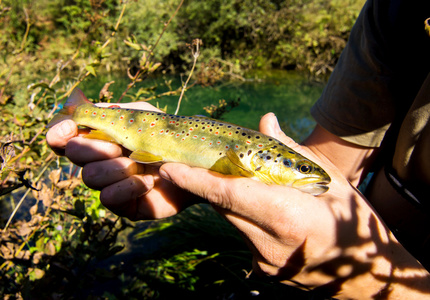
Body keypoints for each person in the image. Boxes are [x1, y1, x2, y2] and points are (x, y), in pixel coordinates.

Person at [47, 0, 430, 298]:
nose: (306, 175)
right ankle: (82, 112)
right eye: (296, 169)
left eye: (298, 169)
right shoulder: (398, 11)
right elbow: (332, 165)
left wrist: (371, 286)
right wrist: (198, 188)